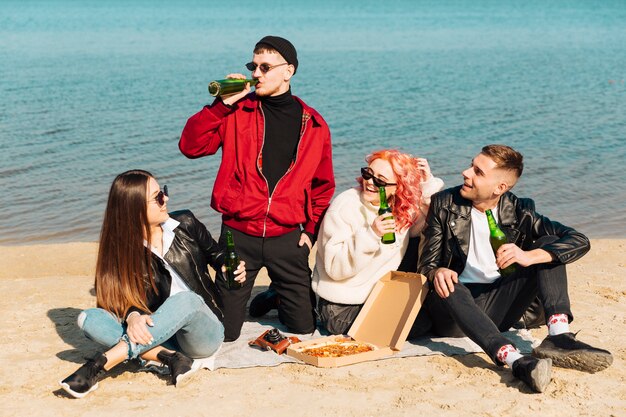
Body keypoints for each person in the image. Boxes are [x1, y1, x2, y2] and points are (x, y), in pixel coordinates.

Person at [416, 144, 613, 393]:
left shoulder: (519, 210)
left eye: (478, 171)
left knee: (549, 247)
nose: (466, 173)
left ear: (500, 188)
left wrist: (530, 256)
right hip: (454, 310)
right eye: (471, 165)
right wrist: (436, 272)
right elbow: (426, 263)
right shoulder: (445, 204)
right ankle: (516, 360)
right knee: (449, 282)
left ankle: (559, 336)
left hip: (500, 307)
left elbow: (578, 240)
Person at [179, 36, 334, 341]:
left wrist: (311, 231)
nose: (256, 74)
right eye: (253, 66)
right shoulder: (236, 112)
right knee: (226, 332)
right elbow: (191, 146)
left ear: (288, 71)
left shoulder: (314, 124)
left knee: (303, 327)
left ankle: (276, 294)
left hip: (288, 238)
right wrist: (220, 105)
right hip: (239, 236)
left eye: (265, 67)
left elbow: (323, 185)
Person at [59, 170, 245, 398]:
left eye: (163, 192)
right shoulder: (123, 251)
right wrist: (132, 316)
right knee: (87, 319)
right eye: (157, 197)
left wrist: (228, 267)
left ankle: (102, 363)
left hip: (202, 332)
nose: (165, 199)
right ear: (134, 210)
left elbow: (216, 255)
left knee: (186, 299)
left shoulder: (185, 223)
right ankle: (169, 357)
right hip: (162, 333)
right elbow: (119, 300)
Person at [312, 150, 444, 334]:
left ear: (399, 187)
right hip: (340, 307)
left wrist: (427, 183)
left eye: (380, 181)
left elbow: (433, 220)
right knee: (419, 326)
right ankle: (288, 299)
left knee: (426, 322)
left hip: (376, 297)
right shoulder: (345, 205)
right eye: (368, 174)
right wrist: (370, 235)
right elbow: (334, 269)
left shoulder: (397, 207)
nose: (370, 183)